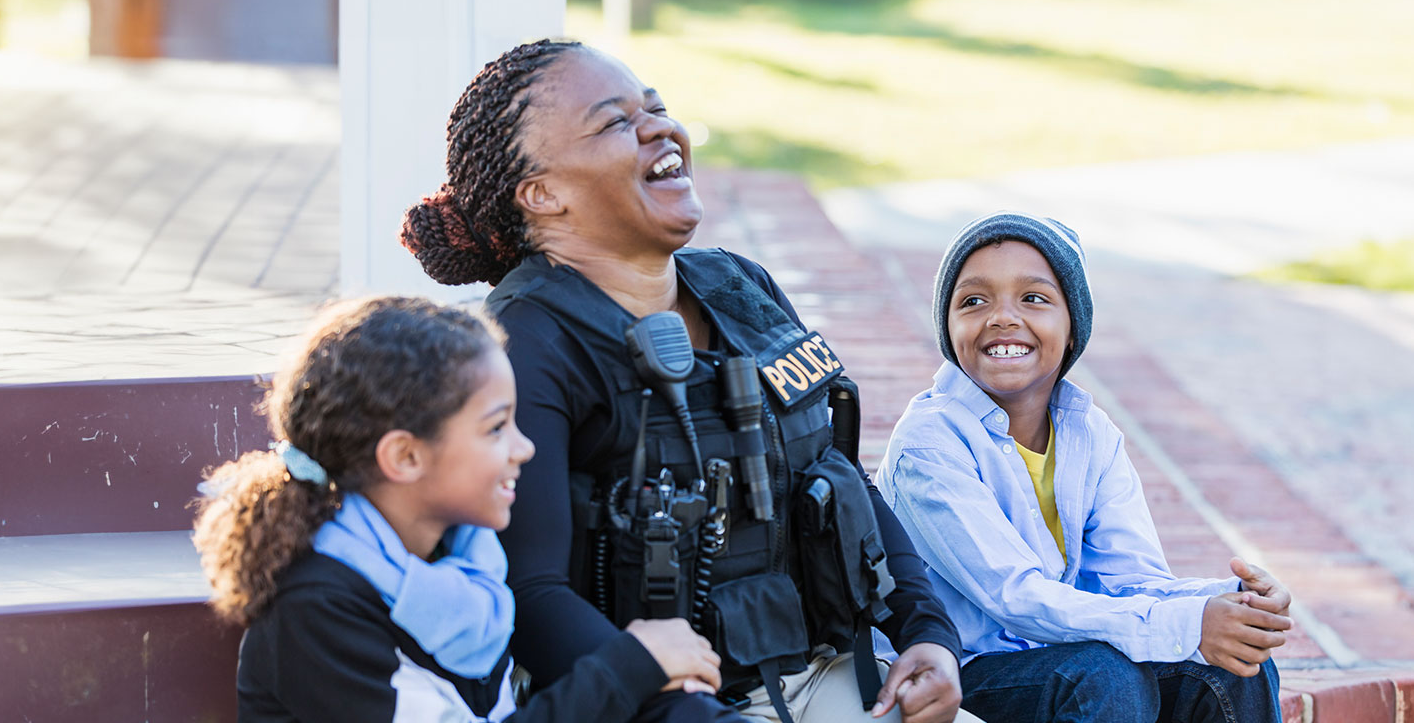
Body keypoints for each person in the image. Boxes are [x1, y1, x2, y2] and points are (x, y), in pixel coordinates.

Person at [398, 39, 975, 723]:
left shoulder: (742, 287)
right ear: (543, 193)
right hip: (654, 706)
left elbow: (840, 477)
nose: (659, 129)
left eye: (657, 108)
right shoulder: (526, 343)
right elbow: (530, 589)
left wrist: (928, 635)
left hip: (830, 676)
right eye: (615, 122)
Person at [192, 296, 720, 722]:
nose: (525, 448)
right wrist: (632, 664)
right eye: (496, 428)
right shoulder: (317, 606)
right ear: (405, 456)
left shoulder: (464, 557)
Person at [874, 212, 1294, 723]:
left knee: (1236, 667)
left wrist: (1233, 604)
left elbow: (1128, 580)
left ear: (1073, 329)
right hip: (958, 675)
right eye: (973, 301)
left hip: (1058, 659)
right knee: (1102, 676)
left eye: (1033, 298)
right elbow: (1014, 596)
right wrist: (1188, 623)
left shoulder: (1089, 433)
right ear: (949, 327)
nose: (1002, 317)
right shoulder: (929, 443)